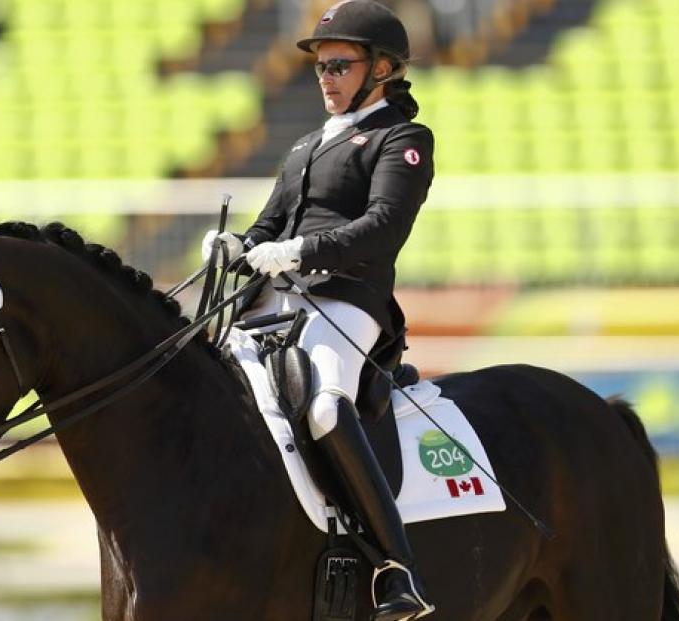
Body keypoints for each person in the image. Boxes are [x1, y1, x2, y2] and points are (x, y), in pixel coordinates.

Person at [202, 2, 435, 619]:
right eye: (320, 67)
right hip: (272, 301)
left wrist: (300, 250)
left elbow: (383, 227)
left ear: (382, 68)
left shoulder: (402, 139)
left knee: (326, 406)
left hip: (346, 299)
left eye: (339, 65)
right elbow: (269, 223)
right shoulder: (307, 144)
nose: (326, 77)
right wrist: (239, 246)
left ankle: (394, 565)